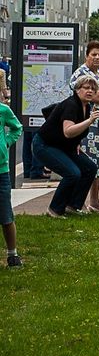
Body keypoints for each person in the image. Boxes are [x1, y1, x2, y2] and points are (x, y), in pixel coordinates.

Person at [33, 75, 99, 217]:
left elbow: (76, 133)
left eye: (93, 89)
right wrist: (90, 121)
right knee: (72, 173)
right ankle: (55, 210)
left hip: (64, 145)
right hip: (45, 145)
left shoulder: (86, 106)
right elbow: (68, 132)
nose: (90, 91)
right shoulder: (71, 105)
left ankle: (73, 206)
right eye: (86, 88)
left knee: (90, 168)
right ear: (77, 90)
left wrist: (77, 143)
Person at [68, 41, 99, 213]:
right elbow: (94, 96)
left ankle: (94, 201)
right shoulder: (80, 74)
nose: (97, 57)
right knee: (87, 162)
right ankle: (78, 202)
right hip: (87, 125)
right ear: (87, 55)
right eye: (93, 54)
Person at [0, 97, 23, 267]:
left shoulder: (3, 110)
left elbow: (17, 128)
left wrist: (6, 142)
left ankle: (12, 253)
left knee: (6, 214)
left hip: (1, 171)